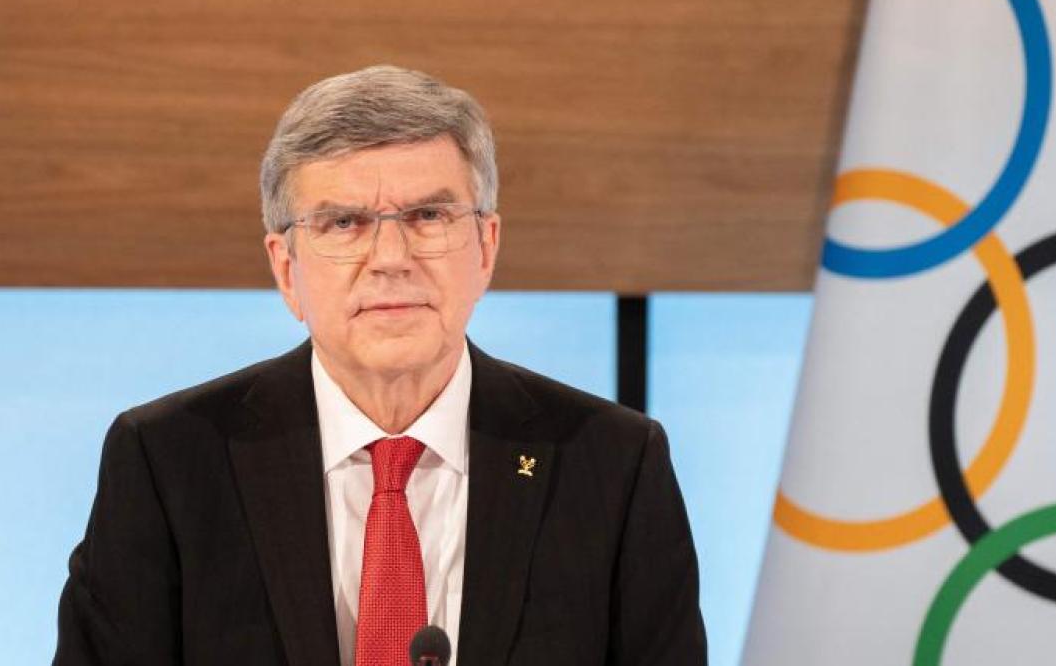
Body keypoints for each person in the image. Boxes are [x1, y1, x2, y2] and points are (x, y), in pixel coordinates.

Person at [54, 65, 707, 666]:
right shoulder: (168, 462)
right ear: (286, 268)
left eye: (429, 215)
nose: (391, 258)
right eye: (345, 224)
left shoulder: (613, 464)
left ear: (485, 247)